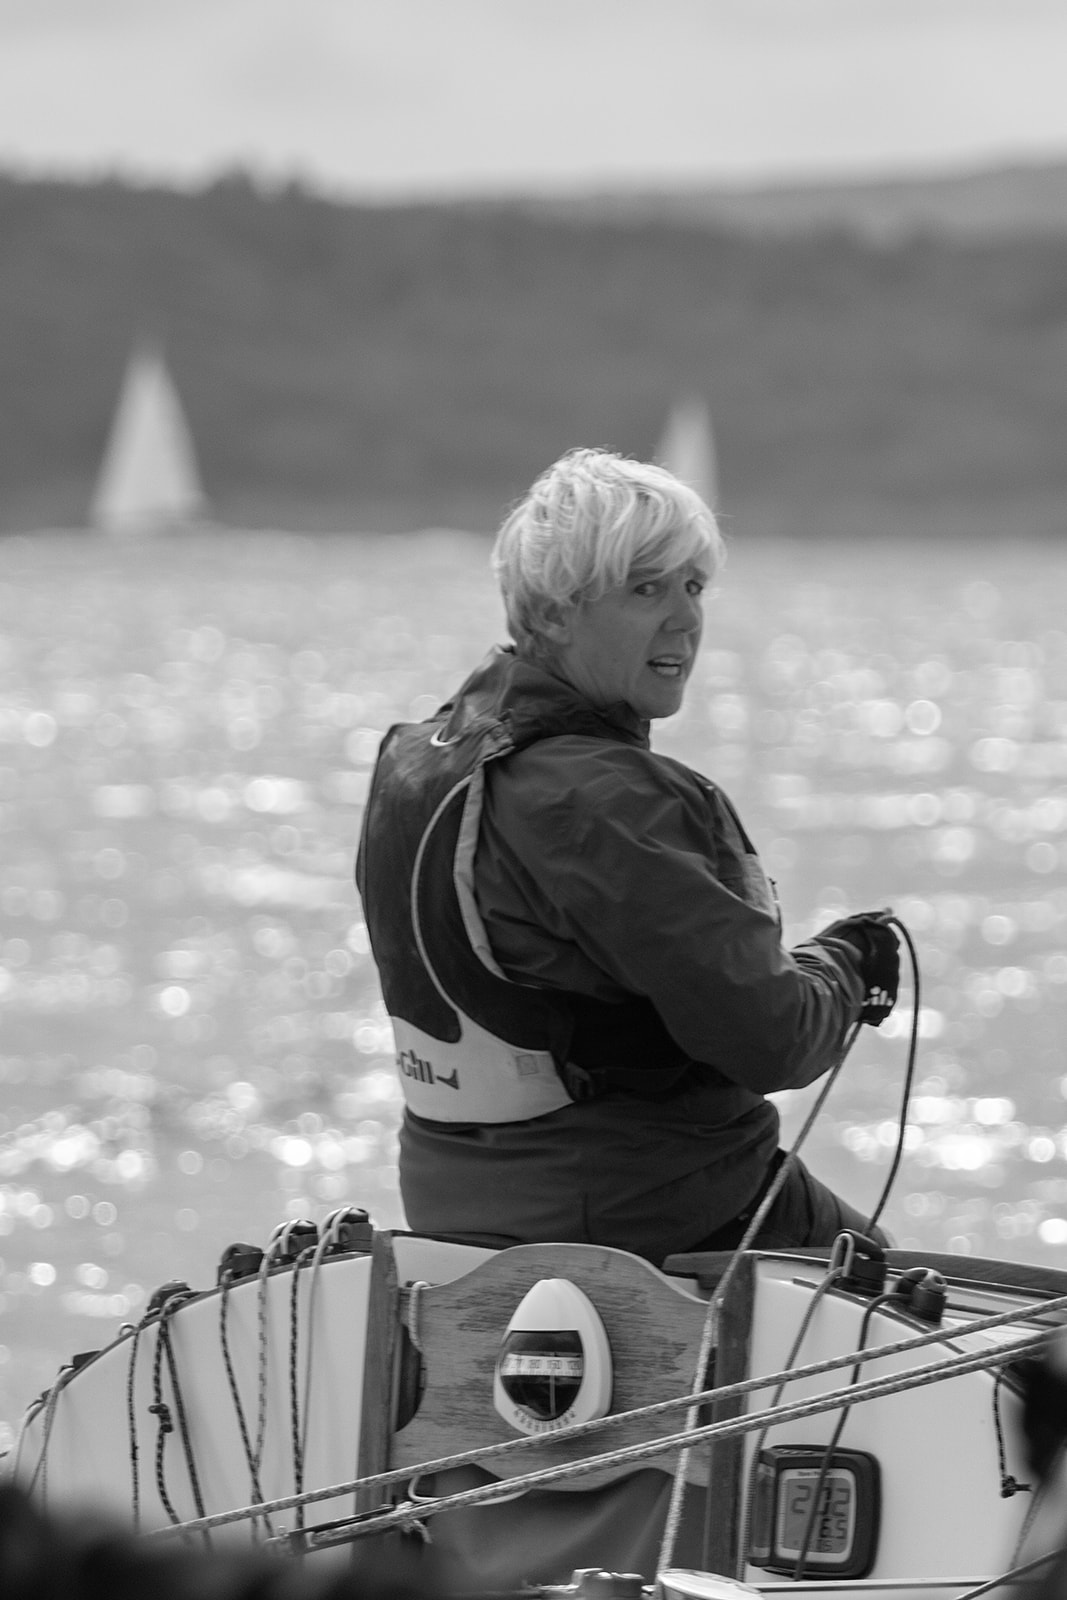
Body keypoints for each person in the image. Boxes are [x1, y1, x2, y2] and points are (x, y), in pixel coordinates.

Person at [355, 448, 899, 1268]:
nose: (684, 620)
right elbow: (773, 1041)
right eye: (646, 589)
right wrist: (848, 964)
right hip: (648, 1211)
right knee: (893, 1278)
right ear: (554, 613)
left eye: (693, 587)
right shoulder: (606, 799)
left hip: (449, 1200)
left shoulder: (413, 759)